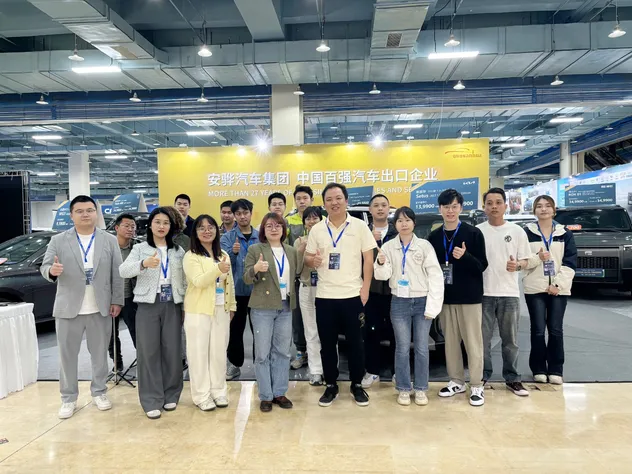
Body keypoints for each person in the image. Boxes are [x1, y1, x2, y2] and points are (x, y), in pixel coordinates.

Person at [40, 195, 124, 419]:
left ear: (96, 213)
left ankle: (99, 392)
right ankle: (68, 398)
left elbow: (117, 273)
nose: (85, 214)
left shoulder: (109, 240)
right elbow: (45, 266)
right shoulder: (58, 240)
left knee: (99, 354)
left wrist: (117, 300)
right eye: (80, 211)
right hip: (68, 307)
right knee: (67, 356)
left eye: (89, 210)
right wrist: (51, 271)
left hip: (100, 306)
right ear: (71, 215)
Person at [305, 183, 377, 407]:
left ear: (346, 200)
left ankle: (357, 384)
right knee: (327, 344)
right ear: (324, 204)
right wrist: (313, 261)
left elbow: (368, 259)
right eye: (329, 199)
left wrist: (365, 288)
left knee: (356, 343)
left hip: (352, 295)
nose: (334, 203)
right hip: (325, 296)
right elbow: (307, 258)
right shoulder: (317, 229)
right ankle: (331, 385)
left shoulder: (360, 226)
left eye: (338, 198)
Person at [119, 207, 186, 419]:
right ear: (150, 225)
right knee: (148, 352)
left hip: (172, 303)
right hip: (147, 304)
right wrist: (143, 264)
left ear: (171, 227)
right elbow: (123, 270)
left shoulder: (178, 251)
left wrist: (184, 304)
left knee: (172, 350)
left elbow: (184, 280)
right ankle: (151, 399)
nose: (161, 226)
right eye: (157, 222)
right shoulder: (140, 248)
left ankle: (171, 393)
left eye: (166, 223)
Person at [374, 207, 444, 406]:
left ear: (413, 223)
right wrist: (381, 263)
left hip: (422, 301)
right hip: (399, 302)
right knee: (402, 348)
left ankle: (421, 388)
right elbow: (383, 276)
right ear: (395, 224)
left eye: (407, 220)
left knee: (422, 348)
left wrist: (432, 307)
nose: (403, 224)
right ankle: (404, 388)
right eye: (399, 221)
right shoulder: (388, 246)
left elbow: (436, 277)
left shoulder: (424, 246)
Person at [428, 189, 488, 406]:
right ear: (440, 209)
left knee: (473, 342)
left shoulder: (473, 233)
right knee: (450, 343)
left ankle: (477, 384)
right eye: (446, 207)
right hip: (446, 298)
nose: (450, 211)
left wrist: (465, 256)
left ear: (461, 208)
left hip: (470, 297)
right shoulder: (434, 237)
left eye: (454, 206)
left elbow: (482, 265)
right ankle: (456, 381)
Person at [477, 188, 532, 397]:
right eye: (489, 203)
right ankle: (482, 376)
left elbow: (526, 260)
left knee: (510, 340)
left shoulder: (517, 231)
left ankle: (513, 378)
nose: (494, 207)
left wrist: (517, 265)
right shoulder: (477, 231)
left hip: (509, 293)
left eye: (498, 202)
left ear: (505, 206)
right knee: (482, 340)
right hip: (483, 293)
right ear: (484, 207)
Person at [244, 213, 299, 412]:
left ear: (284, 229)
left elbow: (299, 273)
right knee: (262, 353)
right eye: (269, 226)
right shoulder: (255, 249)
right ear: (263, 230)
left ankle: (279, 392)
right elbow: (246, 278)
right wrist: (256, 269)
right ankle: (266, 395)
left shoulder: (291, 251)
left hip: (285, 307)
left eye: (278, 225)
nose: (274, 229)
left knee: (283, 352)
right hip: (262, 308)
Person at [183, 215, 237, 411]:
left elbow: (229, 282)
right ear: (195, 233)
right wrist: (217, 269)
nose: (207, 231)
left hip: (221, 308)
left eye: (211, 227)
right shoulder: (191, 256)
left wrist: (232, 306)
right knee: (198, 354)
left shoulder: (223, 254)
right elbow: (198, 281)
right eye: (202, 228)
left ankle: (219, 391)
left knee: (218, 353)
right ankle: (201, 395)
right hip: (198, 310)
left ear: (216, 230)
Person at [522, 195, 577, 385]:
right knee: (537, 330)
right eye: (539, 206)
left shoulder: (565, 233)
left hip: (558, 290)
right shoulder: (526, 233)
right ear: (534, 210)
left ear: (554, 210)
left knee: (555, 329)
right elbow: (523, 262)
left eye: (547, 206)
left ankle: (555, 369)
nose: (543, 209)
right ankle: (538, 368)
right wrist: (538, 258)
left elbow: (570, 263)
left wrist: (557, 285)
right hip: (534, 288)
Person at [220, 199, 260, 380]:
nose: (242, 216)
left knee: (259, 330)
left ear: (251, 213)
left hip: (257, 291)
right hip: (235, 292)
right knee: (235, 330)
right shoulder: (227, 238)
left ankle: (260, 365)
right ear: (234, 216)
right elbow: (223, 265)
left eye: (245, 212)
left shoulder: (260, 237)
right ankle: (234, 364)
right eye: (238, 213)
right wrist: (233, 253)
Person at [362, 194, 398, 389]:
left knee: (396, 333)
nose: (380, 208)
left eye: (384, 205)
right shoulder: (363, 232)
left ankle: (397, 372)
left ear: (389, 208)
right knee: (371, 332)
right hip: (372, 291)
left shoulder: (398, 230)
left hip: (395, 291)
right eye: (376, 205)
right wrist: (371, 242)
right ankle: (372, 371)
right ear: (370, 210)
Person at [293, 206, 324, 385]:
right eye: (308, 218)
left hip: (326, 289)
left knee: (327, 331)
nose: (312, 221)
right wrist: (300, 251)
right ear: (304, 222)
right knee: (310, 331)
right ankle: (315, 371)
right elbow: (296, 271)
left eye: (315, 218)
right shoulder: (299, 242)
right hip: (306, 288)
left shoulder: (328, 239)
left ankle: (329, 368)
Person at [286, 185, 315, 370]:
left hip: (320, 281)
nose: (302, 201)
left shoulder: (322, 220)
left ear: (311, 199)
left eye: (305, 198)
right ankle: (301, 351)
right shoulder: (288, 221)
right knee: (297, 318)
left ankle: (317, 355)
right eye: (298, 198)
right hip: (297, 277)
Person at [108, 213, 139, 372]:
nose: (130, 229)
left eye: (133, 226)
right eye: (126, 226)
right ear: (117, 228)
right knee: (110, 333)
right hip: (110, 297)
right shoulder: (108, 247)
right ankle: (117, 362)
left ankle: (143, 358)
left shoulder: (137, 247)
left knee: (136, 329)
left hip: (130, 296)